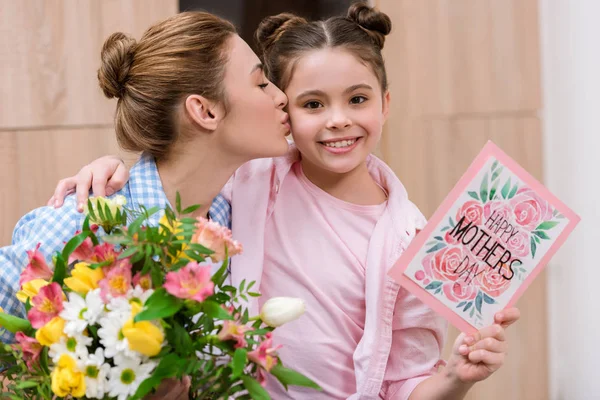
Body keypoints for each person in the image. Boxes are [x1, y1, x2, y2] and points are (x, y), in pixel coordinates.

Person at [49, 3, 520, 399]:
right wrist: (111, 168)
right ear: (283, 111)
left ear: (385, 103)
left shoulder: (411, 238)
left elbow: (404, 383)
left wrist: (457, 376)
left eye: (358, 99)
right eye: (312, 104)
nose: (338, 120)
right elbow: (178, 177)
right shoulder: (250, 183)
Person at [0, 10, 290, 399]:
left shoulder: (233, 219)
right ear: (204, 111)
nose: (280, 96)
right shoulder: (81, 225)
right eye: (261, 83)